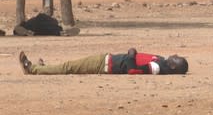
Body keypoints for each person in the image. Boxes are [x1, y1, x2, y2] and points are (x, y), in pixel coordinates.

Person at [19, 49, 188, 75]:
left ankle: (32, 69)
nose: (174, 55)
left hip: (105, 65)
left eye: (176, 58)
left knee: (69, 67)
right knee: (70, 64)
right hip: (107, 60)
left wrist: (131, 53)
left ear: (173, 66)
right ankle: (45, 68)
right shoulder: (161, 62)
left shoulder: (157, 67)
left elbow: (132, 70)